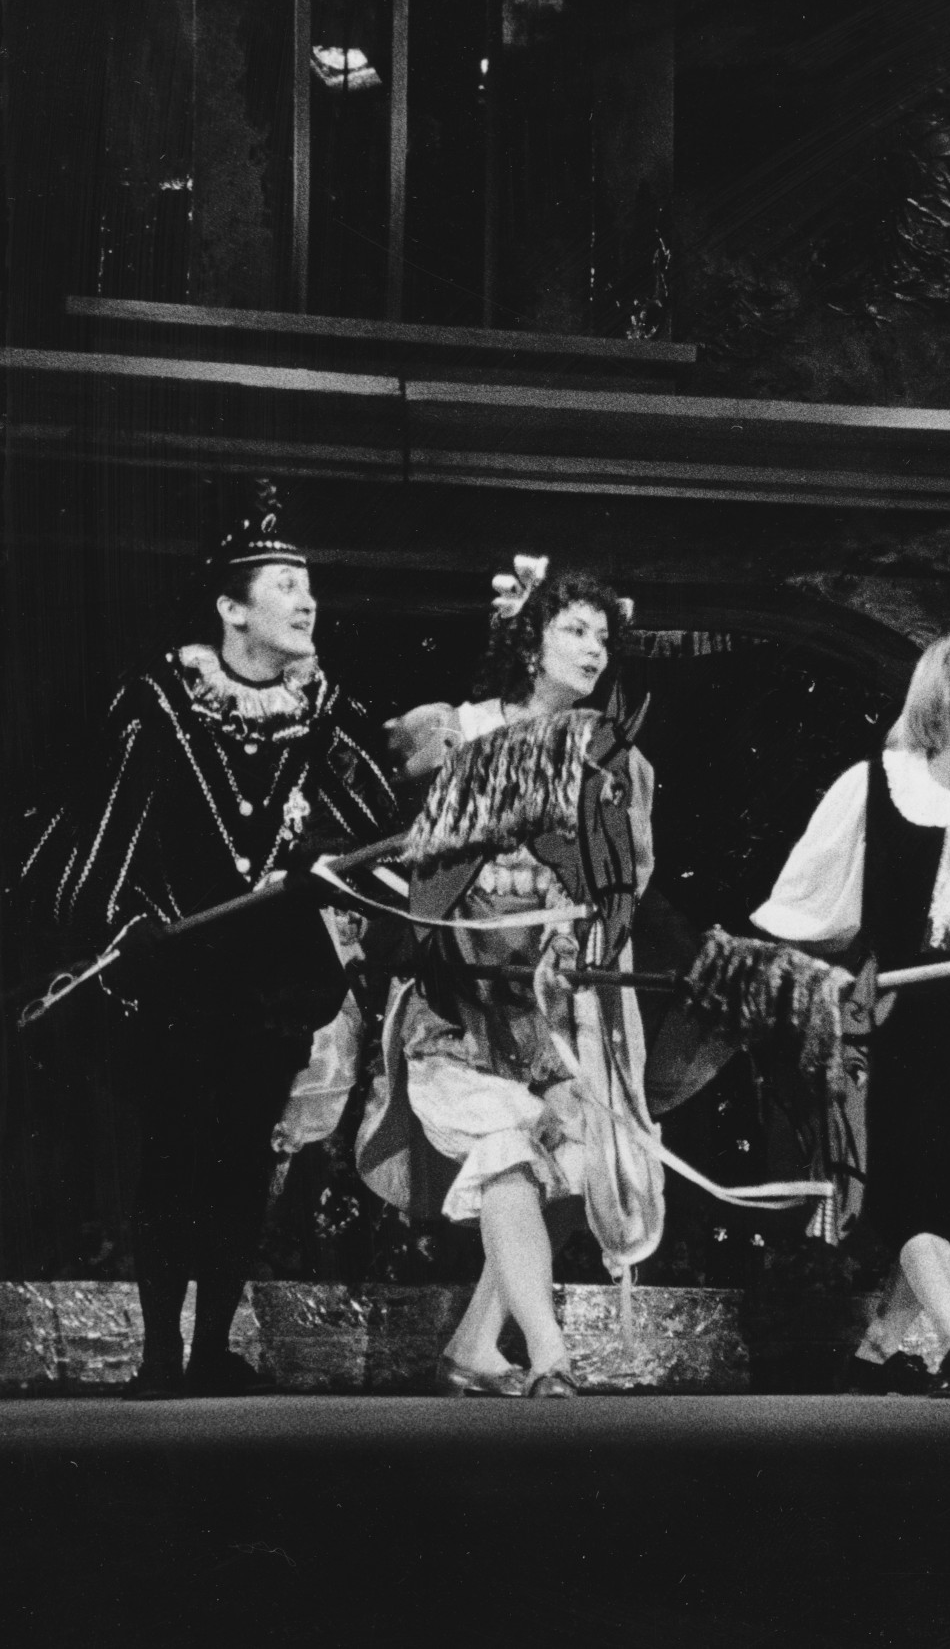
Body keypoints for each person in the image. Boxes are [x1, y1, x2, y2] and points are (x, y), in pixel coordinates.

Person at [17, 486, 399, 1397]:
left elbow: (372, 829)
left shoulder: (325, 714)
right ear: (231, 608)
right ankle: (160, 1354)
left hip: (270, 982)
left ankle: (213, 1348)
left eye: (308, 584)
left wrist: (319, 860)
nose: (306, 601)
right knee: (174, 1155)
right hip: (179, 974)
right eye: (284, 585)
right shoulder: (159, 703)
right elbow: (108, 830)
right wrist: (130, 921)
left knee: (240, 1161)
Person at [365, 559, 662, 1398]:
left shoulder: (612, 759)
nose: (594, 649)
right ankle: (551, 1356)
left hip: (548, 1010)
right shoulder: (455, 734)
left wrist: (579, 938)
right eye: (575, 630)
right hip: (458, 1003)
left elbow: (624, 879)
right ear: (529, 642)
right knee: (506, 1152)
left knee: (574, 1168)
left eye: (603, 636)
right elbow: (389, 842)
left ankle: (472, 1347)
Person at [753, 629, 950, 1398]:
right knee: (915, 1192)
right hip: (890, 1026)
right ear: (939, 697)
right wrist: (812, 984)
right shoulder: (875, 786)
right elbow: (804, 908)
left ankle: (876, 1351)